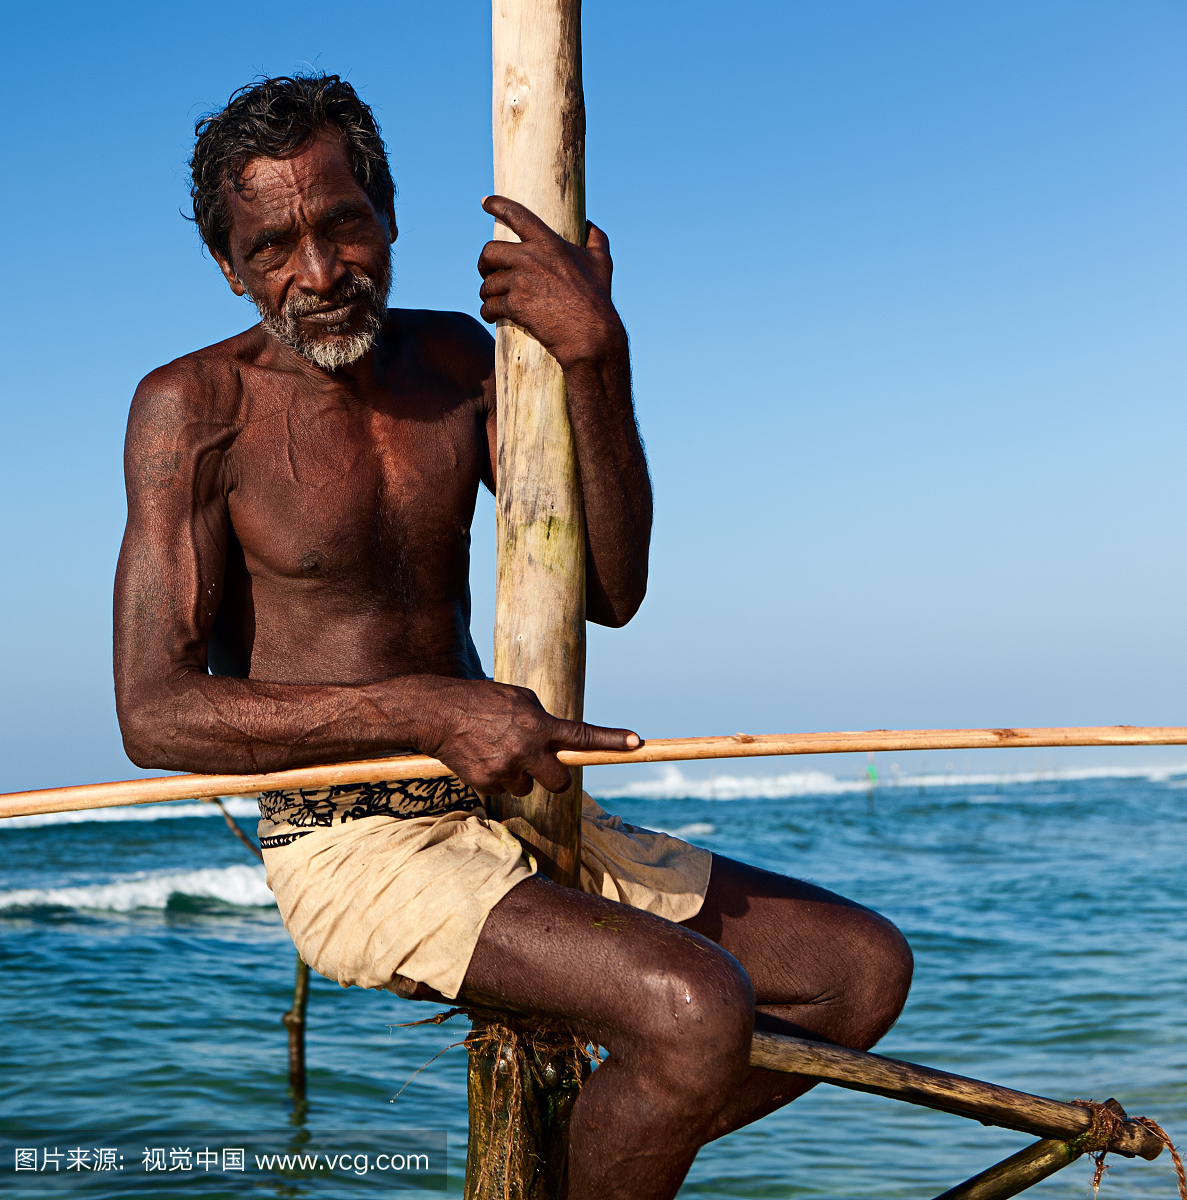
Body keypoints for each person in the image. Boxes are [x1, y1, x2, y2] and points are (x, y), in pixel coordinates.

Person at [113, 74, 913, 1200]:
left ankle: (576, 1161)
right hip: (353, 839)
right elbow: (154, 711)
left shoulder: (460, 363)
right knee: (692, 1013)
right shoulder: (192, 409)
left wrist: (596, 355)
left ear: (389, 212)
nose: (321, 272)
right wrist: (430, 711)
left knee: (859, 973)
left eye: (343, 224)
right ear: (229, 268)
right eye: (273, 247)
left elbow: (613, 588)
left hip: (510, 795)